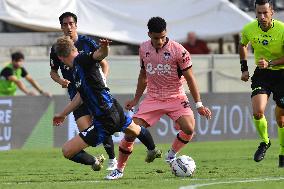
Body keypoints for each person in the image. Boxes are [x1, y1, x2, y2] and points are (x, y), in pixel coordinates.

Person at [53, 36, 161, 180]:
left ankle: (102, 164)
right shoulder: (78, 69)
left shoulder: (82, 59)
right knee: (135, 129)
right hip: (112, 108)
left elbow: (99, 55)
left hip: (104, 118)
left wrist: (104, 48)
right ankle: (152, 149)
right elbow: (80, 96)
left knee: (67, 150)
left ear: (60, 57)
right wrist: (63, 114)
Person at [124, 16, 211, 172]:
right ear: (149, 34)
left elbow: (190, 78)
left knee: (189, 128)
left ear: (166, 33)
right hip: (153, 97)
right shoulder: (143, 49)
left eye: (163, 37)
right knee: (131, 130)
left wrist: (199, 104)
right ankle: (118, 168)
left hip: (176, 96)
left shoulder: (179, 51)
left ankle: (171, 155)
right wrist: (136, 99)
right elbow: (143, 75)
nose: (160, 41)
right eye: (156, 38)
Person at [49, 12, 117, 170]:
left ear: (76, 25)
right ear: (61, 27)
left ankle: (112, 160)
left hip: (94, 93)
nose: (68, 27)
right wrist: (60, 80)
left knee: (101, 125)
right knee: (86, 131)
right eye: (65, 24)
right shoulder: (56, 48)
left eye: (71, 23)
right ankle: (95, 160)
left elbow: (104, 64)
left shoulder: (86, 42)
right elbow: (53, 72)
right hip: (76, 95)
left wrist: (101, 82)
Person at [239, 0, 284, 167]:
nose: (262, 16)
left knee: (281, 120)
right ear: (255, 13)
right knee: (258, 112)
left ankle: (282, 152)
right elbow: (242, 44)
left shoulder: (282, 29)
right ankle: (265, 142)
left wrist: (271, 63)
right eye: (259, 13)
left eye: (265, 12)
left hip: (281, 74)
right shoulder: (249, 29)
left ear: (272, 11)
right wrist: (244, 68)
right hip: (262, 75)